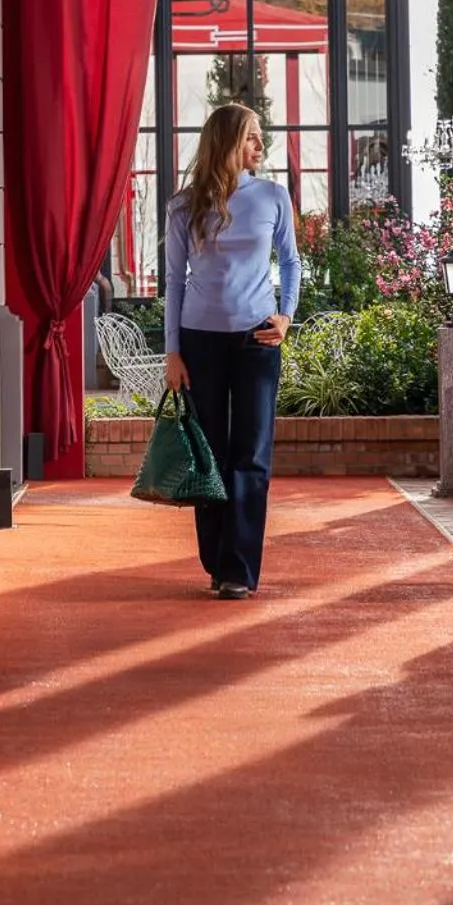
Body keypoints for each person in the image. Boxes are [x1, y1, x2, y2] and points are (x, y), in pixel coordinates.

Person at [163, 102, 300, 600]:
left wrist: (286, 316)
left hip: (258, 338)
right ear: (226, 143)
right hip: (199, 340)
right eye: (250, 138)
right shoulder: (183, 206)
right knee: (209, 455)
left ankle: (238, 568)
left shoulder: (272, 197)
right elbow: (173, 284)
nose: (260, 147)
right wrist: (172, 353)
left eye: (260, 138)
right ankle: (215, 557)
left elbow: (292, 261)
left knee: (252, 454)